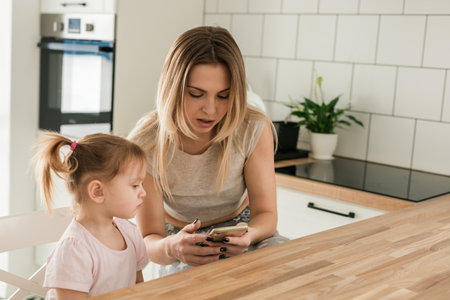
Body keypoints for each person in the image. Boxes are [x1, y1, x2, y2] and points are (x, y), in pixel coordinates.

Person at [128, 25, 288, 276]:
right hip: (180, 242)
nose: (211, 110)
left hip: (245, 229)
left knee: (290, 274)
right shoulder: (145, 144)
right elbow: (149, 239)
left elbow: (266, 215)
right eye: (196, 94)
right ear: (172, 89)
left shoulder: (252, 128)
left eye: (223, 96)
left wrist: (248, 236)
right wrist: (173, 248)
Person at [33, 132, 149, 299]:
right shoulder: (74, 250)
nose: (143, 193)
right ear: (98, 191)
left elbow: (140, 292)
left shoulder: (129, 233)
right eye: (135, 185)